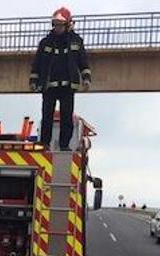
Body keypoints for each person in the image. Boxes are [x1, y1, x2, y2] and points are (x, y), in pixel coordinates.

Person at [29, 7, 91, 151]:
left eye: (60, 25)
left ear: (68, 25)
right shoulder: (46, 42)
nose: (57, 28)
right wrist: (33, 81)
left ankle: (64, 145)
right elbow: (37, 63)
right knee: (47, 116)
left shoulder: (76, 41)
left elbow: (83, 62)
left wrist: (86, 78)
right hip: (49, 86)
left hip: (68, 86)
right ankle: (44, 143)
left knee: (66, 117)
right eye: (55, 24)